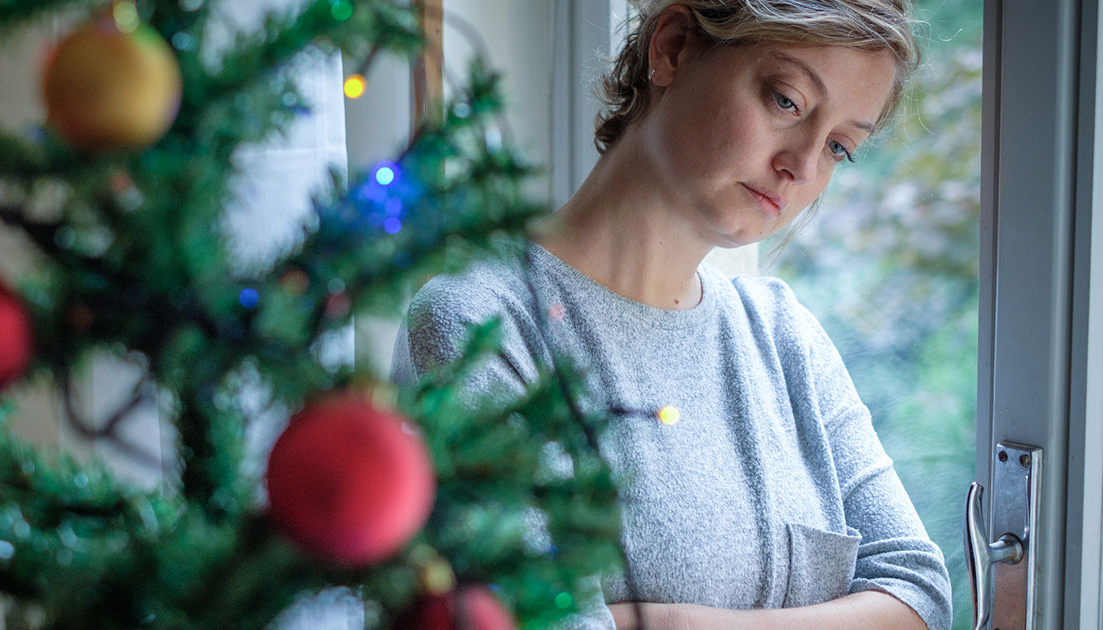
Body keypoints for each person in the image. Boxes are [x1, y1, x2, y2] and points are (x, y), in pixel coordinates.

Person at [389, 1, 954, 629]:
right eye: (786, 101)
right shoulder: (481, 324)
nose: (801, 165)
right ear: (674, 47)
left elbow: (919, 593)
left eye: (840, 146)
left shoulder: (785, 335)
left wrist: (667, 624)